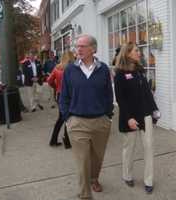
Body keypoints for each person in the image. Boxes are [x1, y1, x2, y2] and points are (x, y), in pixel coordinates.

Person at [59, 34, 114, 199]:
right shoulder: (70, 70)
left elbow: (108, 95)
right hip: (77, 123)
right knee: (82, 161)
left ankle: (94, 178)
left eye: (83, 46)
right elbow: (64, 97)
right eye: (77, 46)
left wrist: (108, 115)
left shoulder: (103, 69)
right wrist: (67, 118)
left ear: (93, 49)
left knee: (97, 157)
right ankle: (85, 194)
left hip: (100, 122)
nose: (79, 49)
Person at [114, 42, 160, 194]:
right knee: (129, 148)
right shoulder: (120, 73)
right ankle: (127, 175)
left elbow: (147, 93)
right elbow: (121, 99)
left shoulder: (140, 70)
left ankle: (148, 180)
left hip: (145, 114)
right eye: (136, 51)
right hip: (131, 117)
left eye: (138, 51)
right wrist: (128, 118)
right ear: (127, 53)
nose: (139, 53)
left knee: (149, 148)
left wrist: (155, 109)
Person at [47, 51, 75, 148]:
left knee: (61, 118)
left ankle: (53, 139)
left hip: (60, 95)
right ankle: (66, 140)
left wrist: (56, 87)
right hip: (70, 95)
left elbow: (49, 80)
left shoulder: (57, 68)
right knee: (68, 117)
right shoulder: (72, 69)